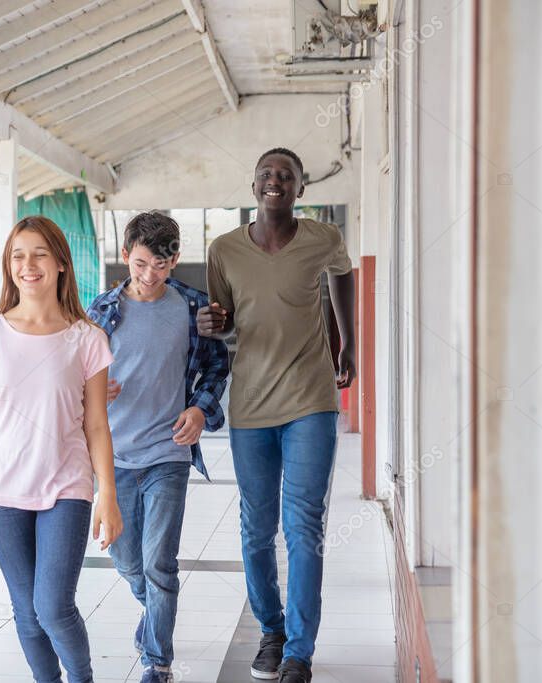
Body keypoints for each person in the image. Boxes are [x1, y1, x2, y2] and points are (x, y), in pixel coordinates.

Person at [0, 215, 123, 683]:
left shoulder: (88, 338)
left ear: (60, 263)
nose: (27, 264)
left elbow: (97, 424)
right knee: (26, 609)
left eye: (39, 253)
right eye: (17, 255)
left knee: (53, 606)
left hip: (67, 485)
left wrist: (108, 495)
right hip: (1, 491)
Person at [198, 148, 357, 683]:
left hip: (311, 400)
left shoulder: (323, 240)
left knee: (303, 525)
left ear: (300, 189)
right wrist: (208, 323)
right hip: (251, 406)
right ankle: (271, 629)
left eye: (285, 175)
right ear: (254, 187)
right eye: (266, 173)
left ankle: (299, 651)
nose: (275, 181)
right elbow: (222, 325)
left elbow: (343, 276)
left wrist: (347, 340)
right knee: (256, 527)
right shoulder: (224, 250)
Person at [86, 212, 229, 683]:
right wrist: (88, 389)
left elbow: (215, 367)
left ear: (175, 260)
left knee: (159, 563)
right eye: (142, 263)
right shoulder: (101, 312)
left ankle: (157, 661)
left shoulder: (192, 307)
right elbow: (72, 376)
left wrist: (201, 410)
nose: (151, 276)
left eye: (162, 265)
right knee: (128, 561)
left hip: (168, 453)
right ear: (126, 255)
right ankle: (155, 618)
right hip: (114, 458)